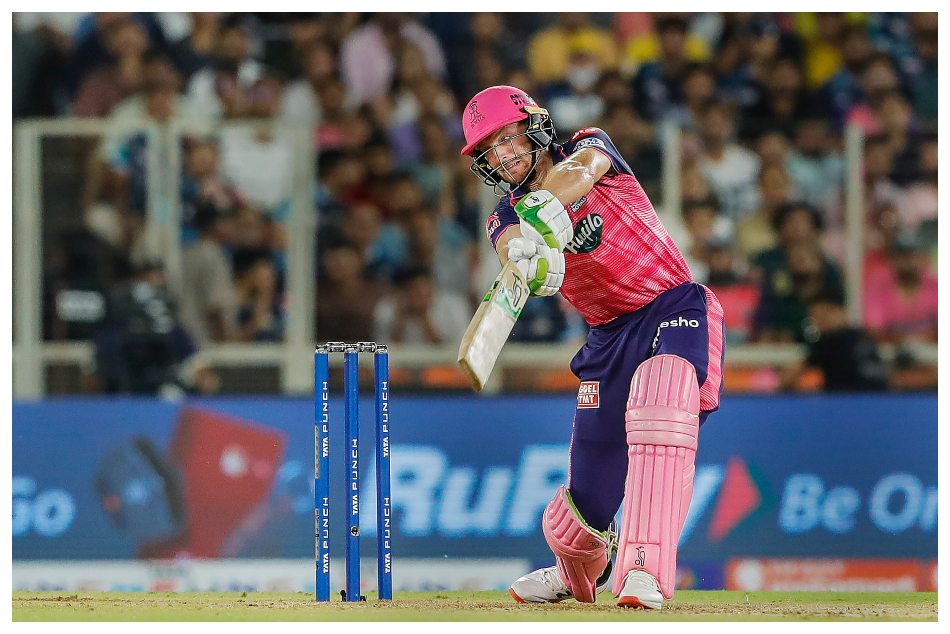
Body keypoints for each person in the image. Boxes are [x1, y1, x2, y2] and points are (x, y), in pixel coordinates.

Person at [460, 85, 725, 609]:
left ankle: (645, 568)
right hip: (607, 337)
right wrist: (523, 254)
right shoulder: (503, 217)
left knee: (660, 407)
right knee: (589, 495)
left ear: (534, 127)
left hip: (671, 305)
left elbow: (581, 171)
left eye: (508, 138)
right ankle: (576, 571)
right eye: (490, 150)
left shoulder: (589, 144)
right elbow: (508, 245)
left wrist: (543, 208)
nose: (503, 155)